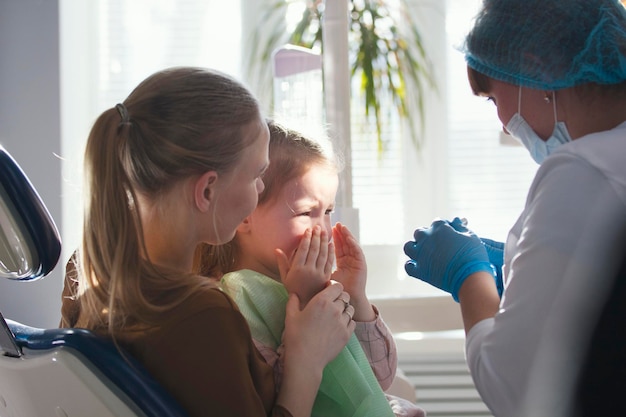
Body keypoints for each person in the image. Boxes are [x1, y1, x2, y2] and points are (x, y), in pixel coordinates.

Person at [59, 67, 356, 417]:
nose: (260, 190)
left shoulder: (91, 271)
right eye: (257, 175)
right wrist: (306, 361)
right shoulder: (203, 315)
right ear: (207, 190)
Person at [401, 1, 626, 416]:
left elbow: (517, 389)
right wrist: (523, 270)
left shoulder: (584, 170)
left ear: (534, 65)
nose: (504, 122)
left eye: (492, 98)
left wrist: (469, 277)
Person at [197, 120, 426, 417]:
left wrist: (355, 298)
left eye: (328, 211)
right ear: (244, 214)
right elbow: (274, 397)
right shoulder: (235, 299)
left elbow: (378, 376)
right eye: (306, 213)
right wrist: (303, 304)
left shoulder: (324, 289)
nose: (323, 230)